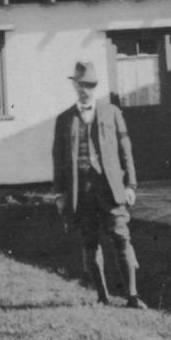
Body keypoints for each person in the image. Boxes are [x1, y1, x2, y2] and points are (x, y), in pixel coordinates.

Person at [52, 60, 147, 308]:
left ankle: (133, 296)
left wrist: (131, 185)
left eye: (90, 85)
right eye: (81, 85)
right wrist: (60, 194)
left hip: (110, 188)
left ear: (95, 87)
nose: (85, 89)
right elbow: (59, 159)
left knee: (121, 237)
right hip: (80, 191)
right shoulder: (64, 119)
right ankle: (102, 296)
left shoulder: (112, 112)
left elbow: (126, 150)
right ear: (74, 86)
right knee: (89, 241)